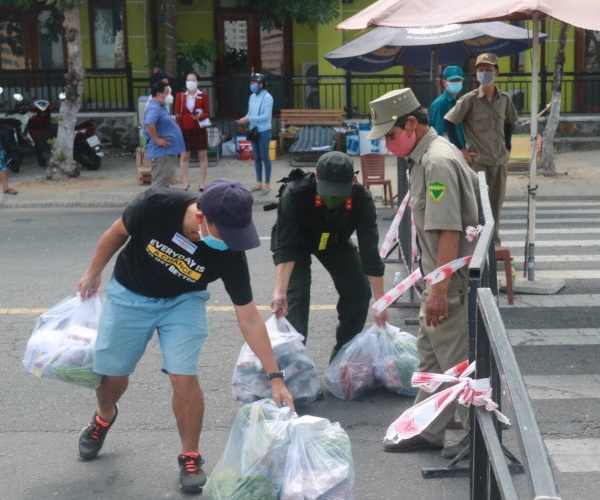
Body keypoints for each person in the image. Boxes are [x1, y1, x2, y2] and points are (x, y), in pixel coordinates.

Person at [75, 179, 295, 494]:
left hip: (183, 302)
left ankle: (190, 454)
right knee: (112, 377)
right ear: (202, 217)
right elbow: (117, 233)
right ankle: (104, 416)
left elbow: (248, 316)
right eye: (227, 233)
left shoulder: (229, 253)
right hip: (130, 293)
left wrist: (276, 378)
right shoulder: (156, 204)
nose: (233, 242)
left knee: (184, 376)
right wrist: (93, 272)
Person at [367, 88, 478, 457]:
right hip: (437, 277)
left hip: (448, 282)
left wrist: (440, 291)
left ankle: (478, 439)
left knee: (455, 361)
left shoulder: (436, 162)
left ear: (411, 124)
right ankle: (428, 428)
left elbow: (449, 230)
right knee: (431, 357)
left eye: (390, 135)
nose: (386, 144)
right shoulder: (423, 158)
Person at [270, 151, 387, 361]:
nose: (332, 199)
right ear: (316, 177)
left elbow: (370, 254)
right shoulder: (295, 194)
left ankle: (343, 358)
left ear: (353, 180)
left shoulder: (361, 199)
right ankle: (295, 368)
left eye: (339, 192)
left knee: (359, 291)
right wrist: (279, 292)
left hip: (334, 241)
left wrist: (381, 304)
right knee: (295, 299)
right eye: (327, 191)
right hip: (296, 244)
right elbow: (285, 247)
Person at [443, 52, 517, 247]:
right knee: (477, 209)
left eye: (489, 70)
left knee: (495, 207)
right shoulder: (470, 99)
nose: (485, 74)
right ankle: (476, 246)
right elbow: (449, 122)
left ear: (497, 72)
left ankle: (493, 243)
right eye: (481, 70)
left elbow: (509, 122)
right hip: (478, 164)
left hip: (499, 162)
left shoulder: (505, 99)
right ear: (475, 74)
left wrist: (508, 146)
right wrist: (462, 149)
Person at [144, 80, 185, 189]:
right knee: (159, 186)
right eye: (167, 93)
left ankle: (161, 205)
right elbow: (149, 124)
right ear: (159, 94)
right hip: (161, 154)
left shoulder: (159, 107)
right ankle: (152, 205)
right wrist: (158, 140)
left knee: (163, 185)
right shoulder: (154, 108)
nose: (169, 96)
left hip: (165, 153)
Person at [237, 73, 274, 194]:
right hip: (254, 130)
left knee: (265, 157)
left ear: (261, 84)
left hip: (264, 130)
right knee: (257, 157)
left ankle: (267, 184)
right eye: (251, 83)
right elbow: (250, 113)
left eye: (254, 83)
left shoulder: (267, 97)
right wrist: (243, 119)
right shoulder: (252, 97)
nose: (252, 86)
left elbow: (266, 116)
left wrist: (249, 119)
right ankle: (258, 183)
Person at [175, 72, 211, 191]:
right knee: (184, 156)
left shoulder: (203, 96)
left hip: (199, 128)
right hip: (185, 129)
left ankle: (202, 183)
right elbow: (177, 115)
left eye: (193, 80)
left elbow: (207, 112)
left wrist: (200, 116)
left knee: (202, 155)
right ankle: (186, 183)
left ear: (198, 82)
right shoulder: (180, 96)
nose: (190, 82)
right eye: (188, 80)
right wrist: (178, 131)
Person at [429, 65, 466, 148]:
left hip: (461, 150)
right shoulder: (439, 104)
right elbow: (437, 133)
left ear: (462, 81)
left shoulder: (460, 102)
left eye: (458, 80)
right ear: (444, 82)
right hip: (448, 151)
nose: (455, 83)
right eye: (452, 80)